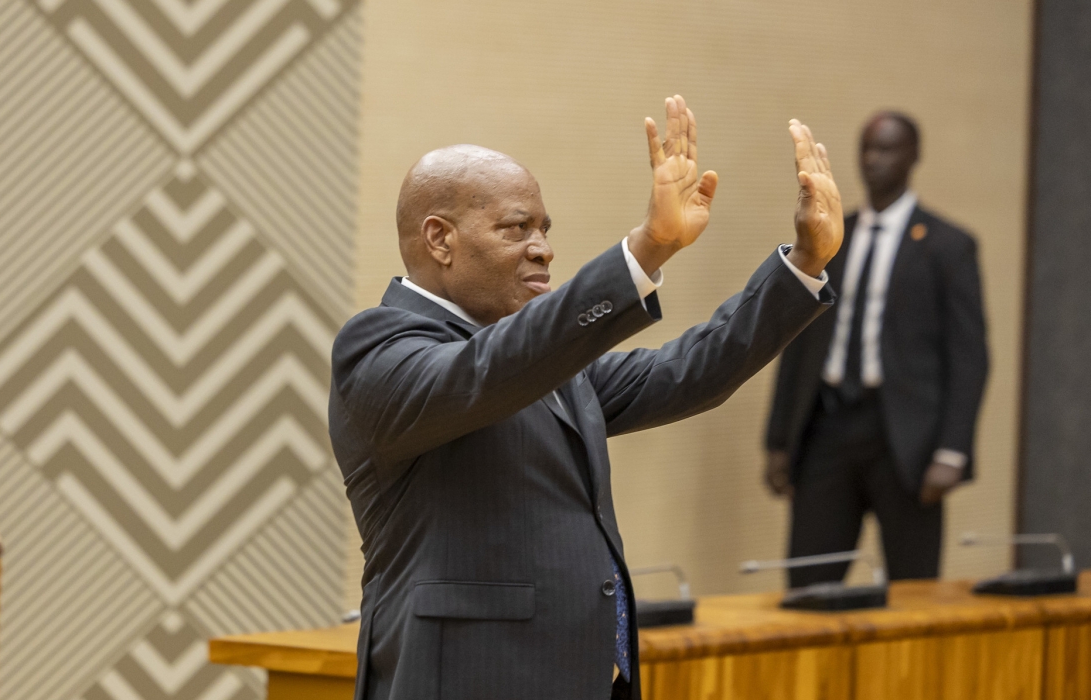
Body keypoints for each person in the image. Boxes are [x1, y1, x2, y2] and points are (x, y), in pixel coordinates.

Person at [329, 96, 844, 700]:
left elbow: (687, 372)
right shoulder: (380, 346)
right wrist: (647, 249)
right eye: (516, 229)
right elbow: (485, 371)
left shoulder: (547, 366)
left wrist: (806, 264)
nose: (543, 249)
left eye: (545, 231)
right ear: (440, 239)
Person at [764, 111, 988, 587]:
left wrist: (953, 451)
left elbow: (969, 356)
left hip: (905, 437)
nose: (873, 159)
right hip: (827, 425)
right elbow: (798, 340)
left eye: (887, 149)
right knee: (808, 585)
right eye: (867, 148)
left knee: (912, 589)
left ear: (913, 156)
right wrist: (779, 439)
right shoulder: (829, 237)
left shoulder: (948, 246)